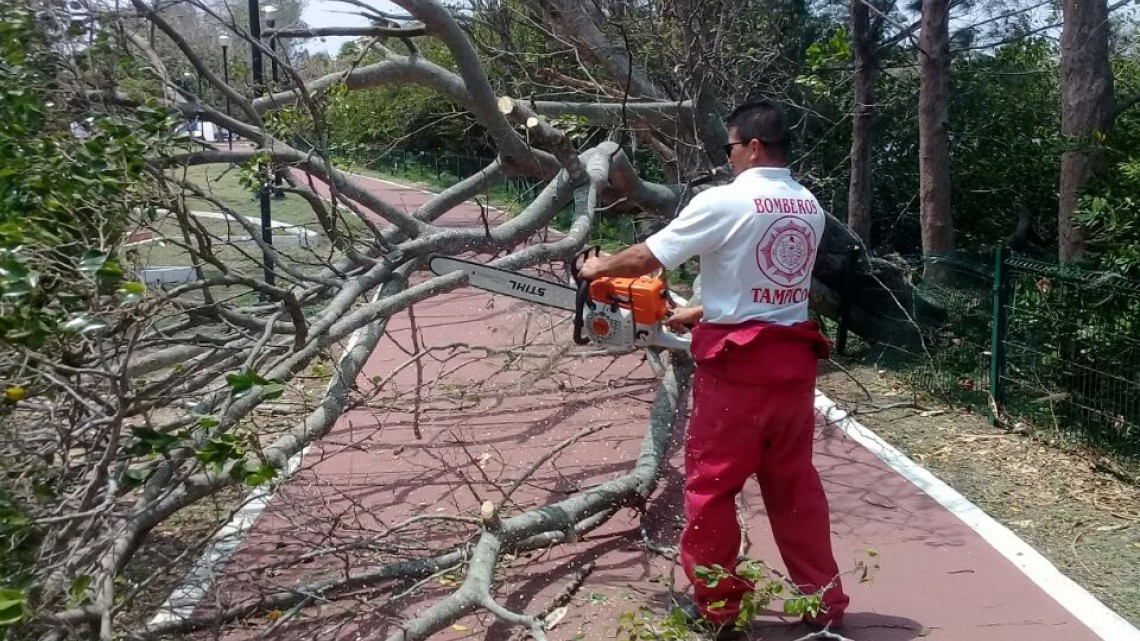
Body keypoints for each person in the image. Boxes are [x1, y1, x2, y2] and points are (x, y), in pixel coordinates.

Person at [578, 100, 848, 638]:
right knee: (795, 489)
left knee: (712, 489)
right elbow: (772, 282)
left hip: (738, 372)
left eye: (730, 148)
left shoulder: (726, 201)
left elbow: (647, 258)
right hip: (793, 366)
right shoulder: (808, 205)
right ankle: (822, 604)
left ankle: (721, 610)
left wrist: (596, 267)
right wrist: (702, 309)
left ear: (751, 146)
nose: (728, 159)